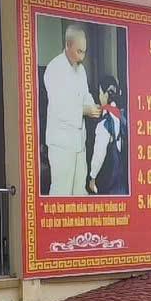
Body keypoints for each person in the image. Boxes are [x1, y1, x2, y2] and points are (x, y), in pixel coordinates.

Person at [43, 25, 102, 196]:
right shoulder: (54, 69)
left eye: (84, 52)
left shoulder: (80, 70)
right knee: (62, 191)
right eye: (79, 51)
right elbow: (60, 107)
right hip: (61, 144)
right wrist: (84, 110)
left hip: (78, 142)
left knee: (79, 191)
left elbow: (85, 94)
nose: (82, 57)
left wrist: (93, 106)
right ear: (68, 45)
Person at [87, 75, 130, 195]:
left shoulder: (104, 123)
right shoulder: (122, 115)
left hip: (110, 181)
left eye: (100, 93)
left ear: (105, 94)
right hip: (122, 178)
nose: (99, 96)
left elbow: (99, 154)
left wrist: (92, 177)